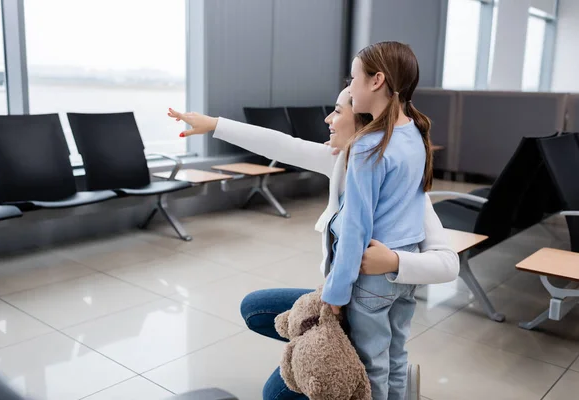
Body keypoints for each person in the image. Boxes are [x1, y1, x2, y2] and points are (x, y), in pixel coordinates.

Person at [168, 42, 458, 400]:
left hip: (362, 293)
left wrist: (392, 262)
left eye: (338, 109)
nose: (328, 119)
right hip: (362, 293)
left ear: (364, 113)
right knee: (258, 309)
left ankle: (357, 373)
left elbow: (444, 262)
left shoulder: (381, 163)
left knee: (283, 391)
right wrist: (212, 124)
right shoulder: (357, 154)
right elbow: (282, 144)